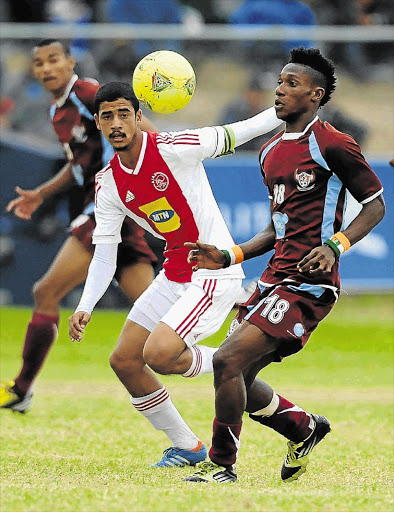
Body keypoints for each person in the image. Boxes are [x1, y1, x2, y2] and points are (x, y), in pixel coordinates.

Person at [184, 47, 385, 483]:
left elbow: (375, 206)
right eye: (279, 81)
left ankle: (221, 467)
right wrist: (231, 255)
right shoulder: (270, 151)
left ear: (315, 95)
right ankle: (304, 428)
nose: (279, 90)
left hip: (310, 284)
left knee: (225, 361)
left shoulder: (332, 142)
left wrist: (336, 244)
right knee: (239, 377)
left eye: (291, 84)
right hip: (274, 277)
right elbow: (278, 226)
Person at [68, 81, 283, 466]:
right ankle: (187, 445)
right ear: (98, 124)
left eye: (123, 114)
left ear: (137, 117)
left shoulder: (176, 147)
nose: (116, 123)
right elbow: (105, 251)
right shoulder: (109, 182)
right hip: (175, 273)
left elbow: (241, 130)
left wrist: (290, 110)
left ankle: (231, 361)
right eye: (106, 117)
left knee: (161, 354)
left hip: (214, 272)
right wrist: (86, 304)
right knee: (125, 361)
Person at [0, 39, 158, 413]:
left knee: (45, 292)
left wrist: (154, 172)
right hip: (113, 212)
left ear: (70, 62)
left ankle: (21, 389)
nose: (46, 68)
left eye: (54, 59)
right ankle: (223, 359)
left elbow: (143, 128)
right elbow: (77, 166)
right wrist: (40, 193)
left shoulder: (87, 92)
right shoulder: (59, 111)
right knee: (155, 310)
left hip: (107, 210)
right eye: (39, 63)